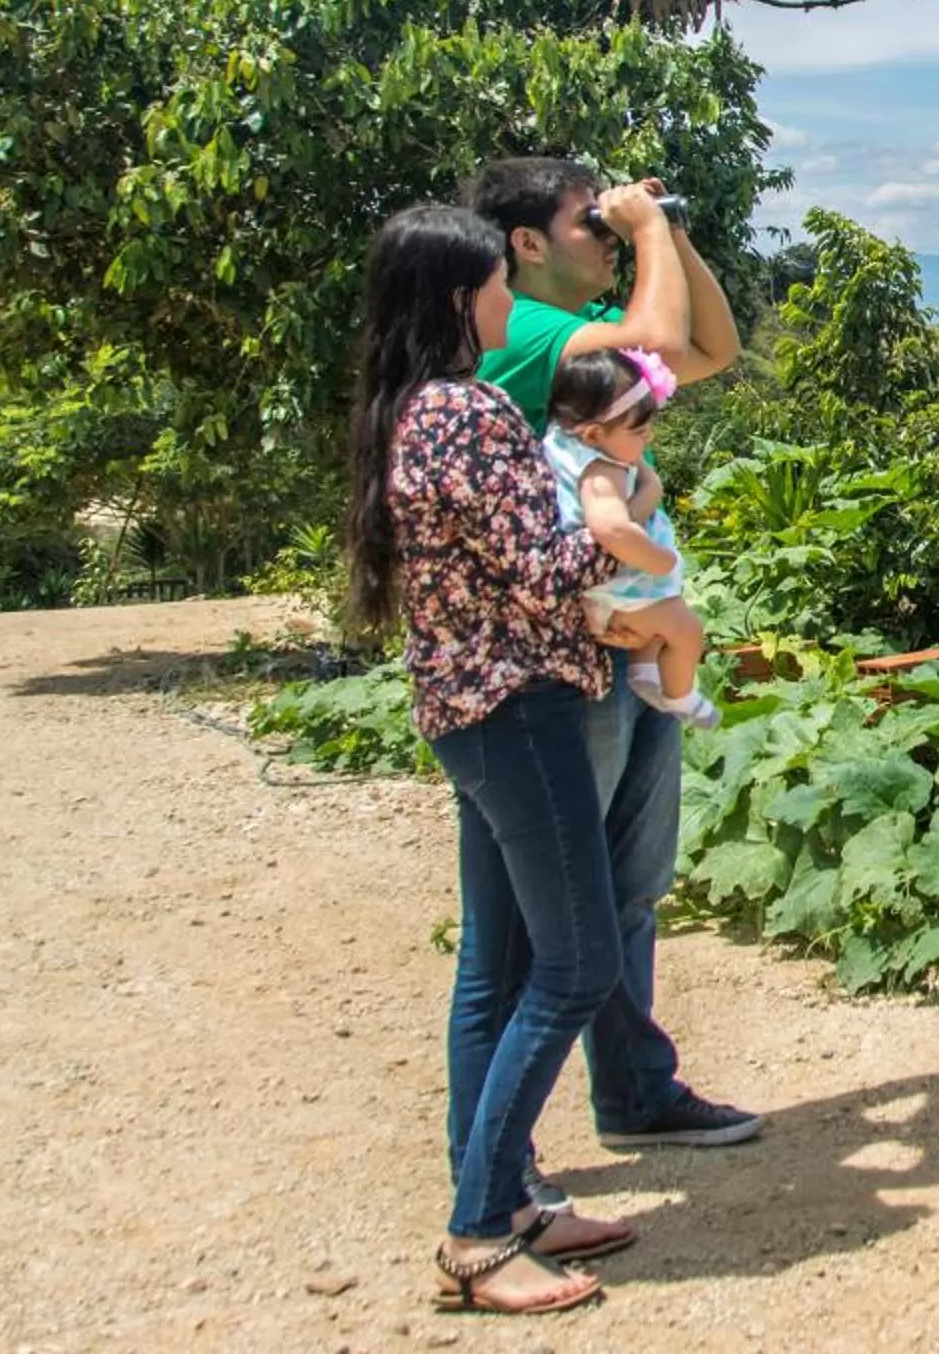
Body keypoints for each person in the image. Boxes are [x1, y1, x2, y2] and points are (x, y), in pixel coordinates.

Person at [341, 203, 640, 1316]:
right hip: (519, 705)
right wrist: (613, 502)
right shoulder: (465, 411)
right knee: (574, 963)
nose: (509, 303)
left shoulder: (407, 410)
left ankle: (510, 1193)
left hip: (463, 704)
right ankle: (477, 1232)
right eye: (492, 286)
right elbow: (543, 563)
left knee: (497, 962)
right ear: (458, 298)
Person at [465, 157, 759, 1153]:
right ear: (527, 244)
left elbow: (708, 345)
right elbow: (664, 337)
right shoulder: (527, 335)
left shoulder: (591, 348)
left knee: (629, 883)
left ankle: (635, 1088)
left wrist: (666, 232)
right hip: (559, 649)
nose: (604, 232)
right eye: (585, 220)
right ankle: (496, 1160)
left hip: (625, 639)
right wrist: (644, 236)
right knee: (540, 919)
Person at [545, 347, 717, 729]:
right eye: (638, 431)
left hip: (614, 588)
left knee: (657, 630)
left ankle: (645, 670)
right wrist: (657, 559)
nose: (648, 436)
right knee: (686, 629)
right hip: (622, 586)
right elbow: (611, 528)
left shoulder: (571, 443)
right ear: (592, 433)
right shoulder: (600, 471)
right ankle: (682, 697)